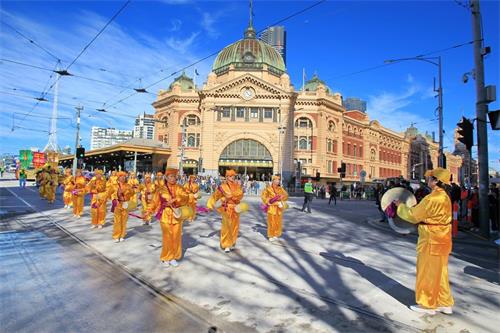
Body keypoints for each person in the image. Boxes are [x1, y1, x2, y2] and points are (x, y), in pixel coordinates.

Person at [395, 167, 454, 315]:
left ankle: (428, 304)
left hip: (431, 239)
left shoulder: (432, 198)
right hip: (443, 239)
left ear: (435, 181)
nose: (427, 180)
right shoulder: (445, 196)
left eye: (430, 178)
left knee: (427, 272)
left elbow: (413, 215)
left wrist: (400, 206)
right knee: (441, 273)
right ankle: (444, 302)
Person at [148, 168, 189, 267]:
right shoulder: (161, 189)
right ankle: (166, 257)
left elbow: (186, 197)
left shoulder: (180, 187)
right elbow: (154, 201)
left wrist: (175, 199)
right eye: (171, 176)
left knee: (176, 237)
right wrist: (148, 212)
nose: (173, 178)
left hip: (177, 215)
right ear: (166, 177)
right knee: (167, 237)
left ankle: (173, 257)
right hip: (165, 215)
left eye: (174, 176)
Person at [207, 169, 244, 253]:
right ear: (227, 177)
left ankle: (232, 243)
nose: (232, 177)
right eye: (230, 176)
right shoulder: (222, 187)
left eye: (233, 176)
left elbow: (240, 195)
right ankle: (226, 244)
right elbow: (215, 196)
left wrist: (234, 196)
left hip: (236, 208)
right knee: (226, 226)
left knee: (235, 226)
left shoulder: (237, 185)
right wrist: (214, 203)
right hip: (226, 208)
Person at [261, 175, 289, 241]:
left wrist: (282, 198)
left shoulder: (280, 188)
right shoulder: (268, 188)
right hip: (272, 208)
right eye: (276, 180)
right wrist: (268, 201)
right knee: (271, 221)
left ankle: (276, 234)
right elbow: (263, 196)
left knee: (278, 222)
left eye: (278, 180)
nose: (278, 181)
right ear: (273, 180)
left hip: (279, 207)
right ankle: (271, 235)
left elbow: (286, 195)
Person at [109, 171, 134, 242]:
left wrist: (128, 192)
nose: (123, 178)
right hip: (117, 204)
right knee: (117, 220)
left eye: (124, 176)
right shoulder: (114, 185)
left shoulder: (128, 185)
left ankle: (122, 235)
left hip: (125, 204)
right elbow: (110, 193)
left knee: (124, 220)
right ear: (118, 177)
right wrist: (114, 199)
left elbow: (132, 193)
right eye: (121, 176)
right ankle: (116, 236)